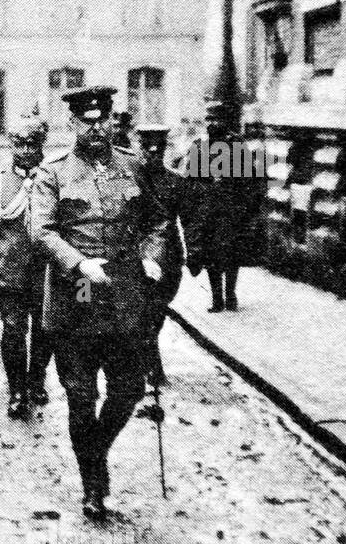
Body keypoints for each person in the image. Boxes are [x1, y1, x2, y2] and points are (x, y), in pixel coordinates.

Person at [30, 86, 168, 519]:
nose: (95, 127)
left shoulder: (133, 166)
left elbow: (157, 220)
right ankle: (93, 483)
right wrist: (79, 264)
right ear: (72, 124)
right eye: (86, 121)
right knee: (81, 395)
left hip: (125, 294)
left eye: (102, 119)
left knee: (128, 390)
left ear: (112, 121)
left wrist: (152, 256)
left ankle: (96, 451)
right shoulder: (53, 173)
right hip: (79, 294)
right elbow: (42, 231)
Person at [0, 113, 52, 418]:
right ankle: (17, 390)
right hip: (8, 274)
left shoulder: (53, 180)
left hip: (47, 274)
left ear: (42, 144)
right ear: (11, 145)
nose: (27, 150)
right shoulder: (0, 182)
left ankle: (37, 380)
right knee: (13, 331)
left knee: (45, 332)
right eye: (20, 144)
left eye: (33, 143)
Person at [185, 101, 262, 312]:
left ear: (224, 120)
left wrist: (245, 209)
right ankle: (217, 298)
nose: (211, 123)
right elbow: (190, 180)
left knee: (231, 254)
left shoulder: (236, 143)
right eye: (208, 119)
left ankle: (230, 295)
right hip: (207, 211)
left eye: (216, 119)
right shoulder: (199, 144)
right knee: (210, 256)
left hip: (231, 211)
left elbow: (249, 180)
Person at [135, 125, 186, 385]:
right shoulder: (130, 178)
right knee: (145, 312)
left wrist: (193, 254)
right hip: (137, 256)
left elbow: (187, 219)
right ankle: (151, 365)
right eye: (147, 148)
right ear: (139, 147)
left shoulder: (176, 180)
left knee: (158, 311)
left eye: (158, 149)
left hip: (170, 258)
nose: (152, 154)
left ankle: (149, 359)